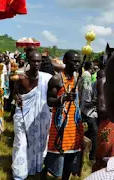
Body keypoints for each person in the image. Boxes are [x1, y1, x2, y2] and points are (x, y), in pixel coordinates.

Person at [11, 51, 52, 179]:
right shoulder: (21, 78)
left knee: (37, 143)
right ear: (29, 61)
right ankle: (19, 173)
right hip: (23, 116)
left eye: (39, 61)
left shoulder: (45, 79)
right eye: (34, 61)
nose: (37, 63)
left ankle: (34, 168)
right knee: (20, 143)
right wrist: (17, 98)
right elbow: (15, 93)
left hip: (38, 118)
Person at [43, 50, 83, 180]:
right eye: (74, 61)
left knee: (70, 160)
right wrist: (63, 98)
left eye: (79, 62)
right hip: (60, 127)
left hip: (74, 127)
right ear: (65, 61)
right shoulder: (56, 79)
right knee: (57, 160)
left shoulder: (77, 78)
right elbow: (49, 101)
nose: (77, 64)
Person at [78, 61, 98, 161]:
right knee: (94, 132)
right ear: (90, 67)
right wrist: (92, 103)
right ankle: (92, 156)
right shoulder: (87, 75)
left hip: (84, 107)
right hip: (87, 110)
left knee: (88, 131)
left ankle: (85, 152)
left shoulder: (86, 75)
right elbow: (86, 92)